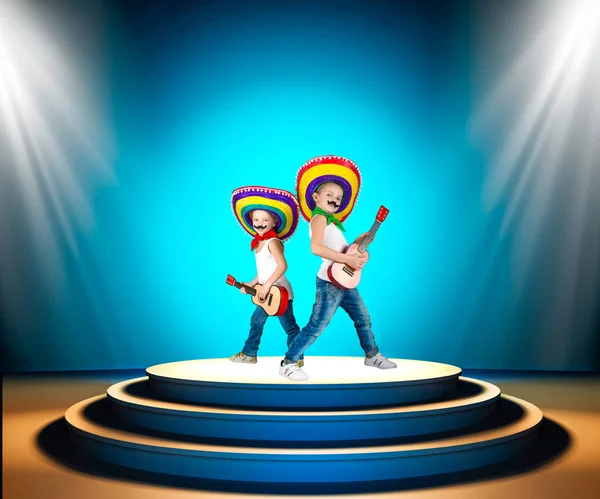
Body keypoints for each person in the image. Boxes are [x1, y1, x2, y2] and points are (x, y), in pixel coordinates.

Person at [279, 156, 396, 381]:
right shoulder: (319, 220)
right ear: (316, 197)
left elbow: (344, 250)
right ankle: (289, 362)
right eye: (329, 195)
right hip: (329, 283)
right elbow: (316, 248)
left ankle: (371, 354)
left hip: (346, 282)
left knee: (363, 317)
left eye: (338, 197)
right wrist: (348, 260)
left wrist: (361, 240)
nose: (334, 199)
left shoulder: (332, 223)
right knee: (316, 325)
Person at [230, 186, 304, 367]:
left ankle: (297, 358)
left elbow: (282, 266)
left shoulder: (273, 242)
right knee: (256, 320)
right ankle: (249, 354)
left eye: (264, 219)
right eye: (256, 219)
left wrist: (267, 285)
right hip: (266, 291)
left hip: (280, 293)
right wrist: (251, 283)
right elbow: (264, 269)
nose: (259, 222)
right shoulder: (259, 243)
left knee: (290, 327)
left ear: (273, 222)